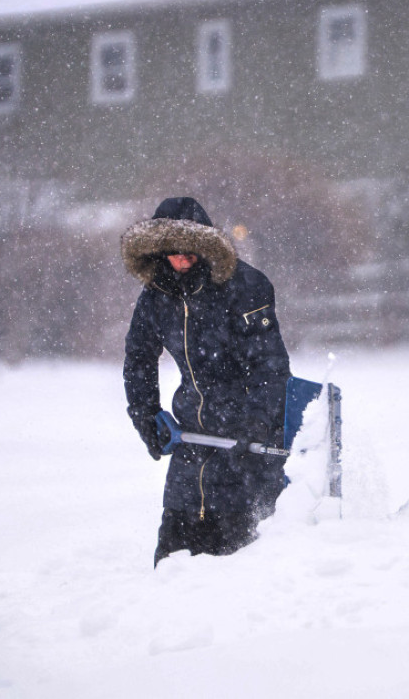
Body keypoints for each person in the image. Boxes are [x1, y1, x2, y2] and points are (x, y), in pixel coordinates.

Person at [121, 197, 291, 566]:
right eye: (172, 253)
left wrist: (256, 422)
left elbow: (270, 366)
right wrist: (145, 415)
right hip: (191, 445)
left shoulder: (245, 286)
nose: (181, 262)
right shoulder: (155, 297)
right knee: (171, 568)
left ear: (205, 249)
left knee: (239, 571)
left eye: (190, 253)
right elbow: (138, 359)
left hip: (246, 448)